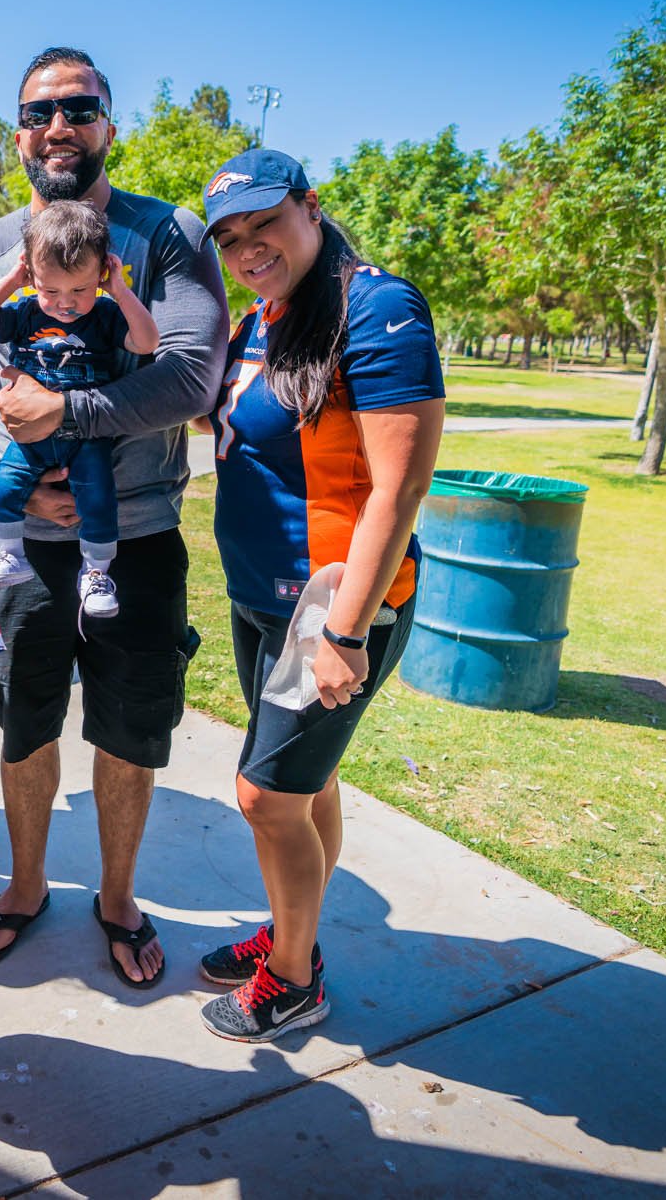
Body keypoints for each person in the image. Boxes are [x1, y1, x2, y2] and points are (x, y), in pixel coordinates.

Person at [0, 47, 229, 987]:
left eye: (79, 109)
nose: (60, 127)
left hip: (137, 539)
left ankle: (119, 897)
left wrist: (68, 415)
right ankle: (23, 886)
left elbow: (190, 375)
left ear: (107, 124)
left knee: (131, 733)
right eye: (40, 113)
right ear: (18, 134)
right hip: (23, 547)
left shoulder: (165, 236)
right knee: (23, 725)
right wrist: (3, 468)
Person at [191, 150, 444, 1043]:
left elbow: (398, 490)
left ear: (310, 205)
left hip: (333, 605)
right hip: (266, 597)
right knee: (309, 783)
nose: (246, 246)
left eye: (264, 222)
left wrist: (346, 630)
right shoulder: (270, 313)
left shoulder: (376, 307)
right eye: (229, 237)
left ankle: (294, 977)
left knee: (266, 798)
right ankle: (288, 933)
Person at [0, 200, 159, 618]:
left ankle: (95, 572)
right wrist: (12, 281)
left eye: (79, 290)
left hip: (85, 435)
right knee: (2, 489)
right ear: (32, 275)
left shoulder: (105, 314)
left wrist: (119, 291)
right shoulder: (25, 312)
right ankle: (9, 554)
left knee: (99, 501)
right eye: (51, 290)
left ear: (101, 276)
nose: (65, 304)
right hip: (30, 437)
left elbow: (146, 343)